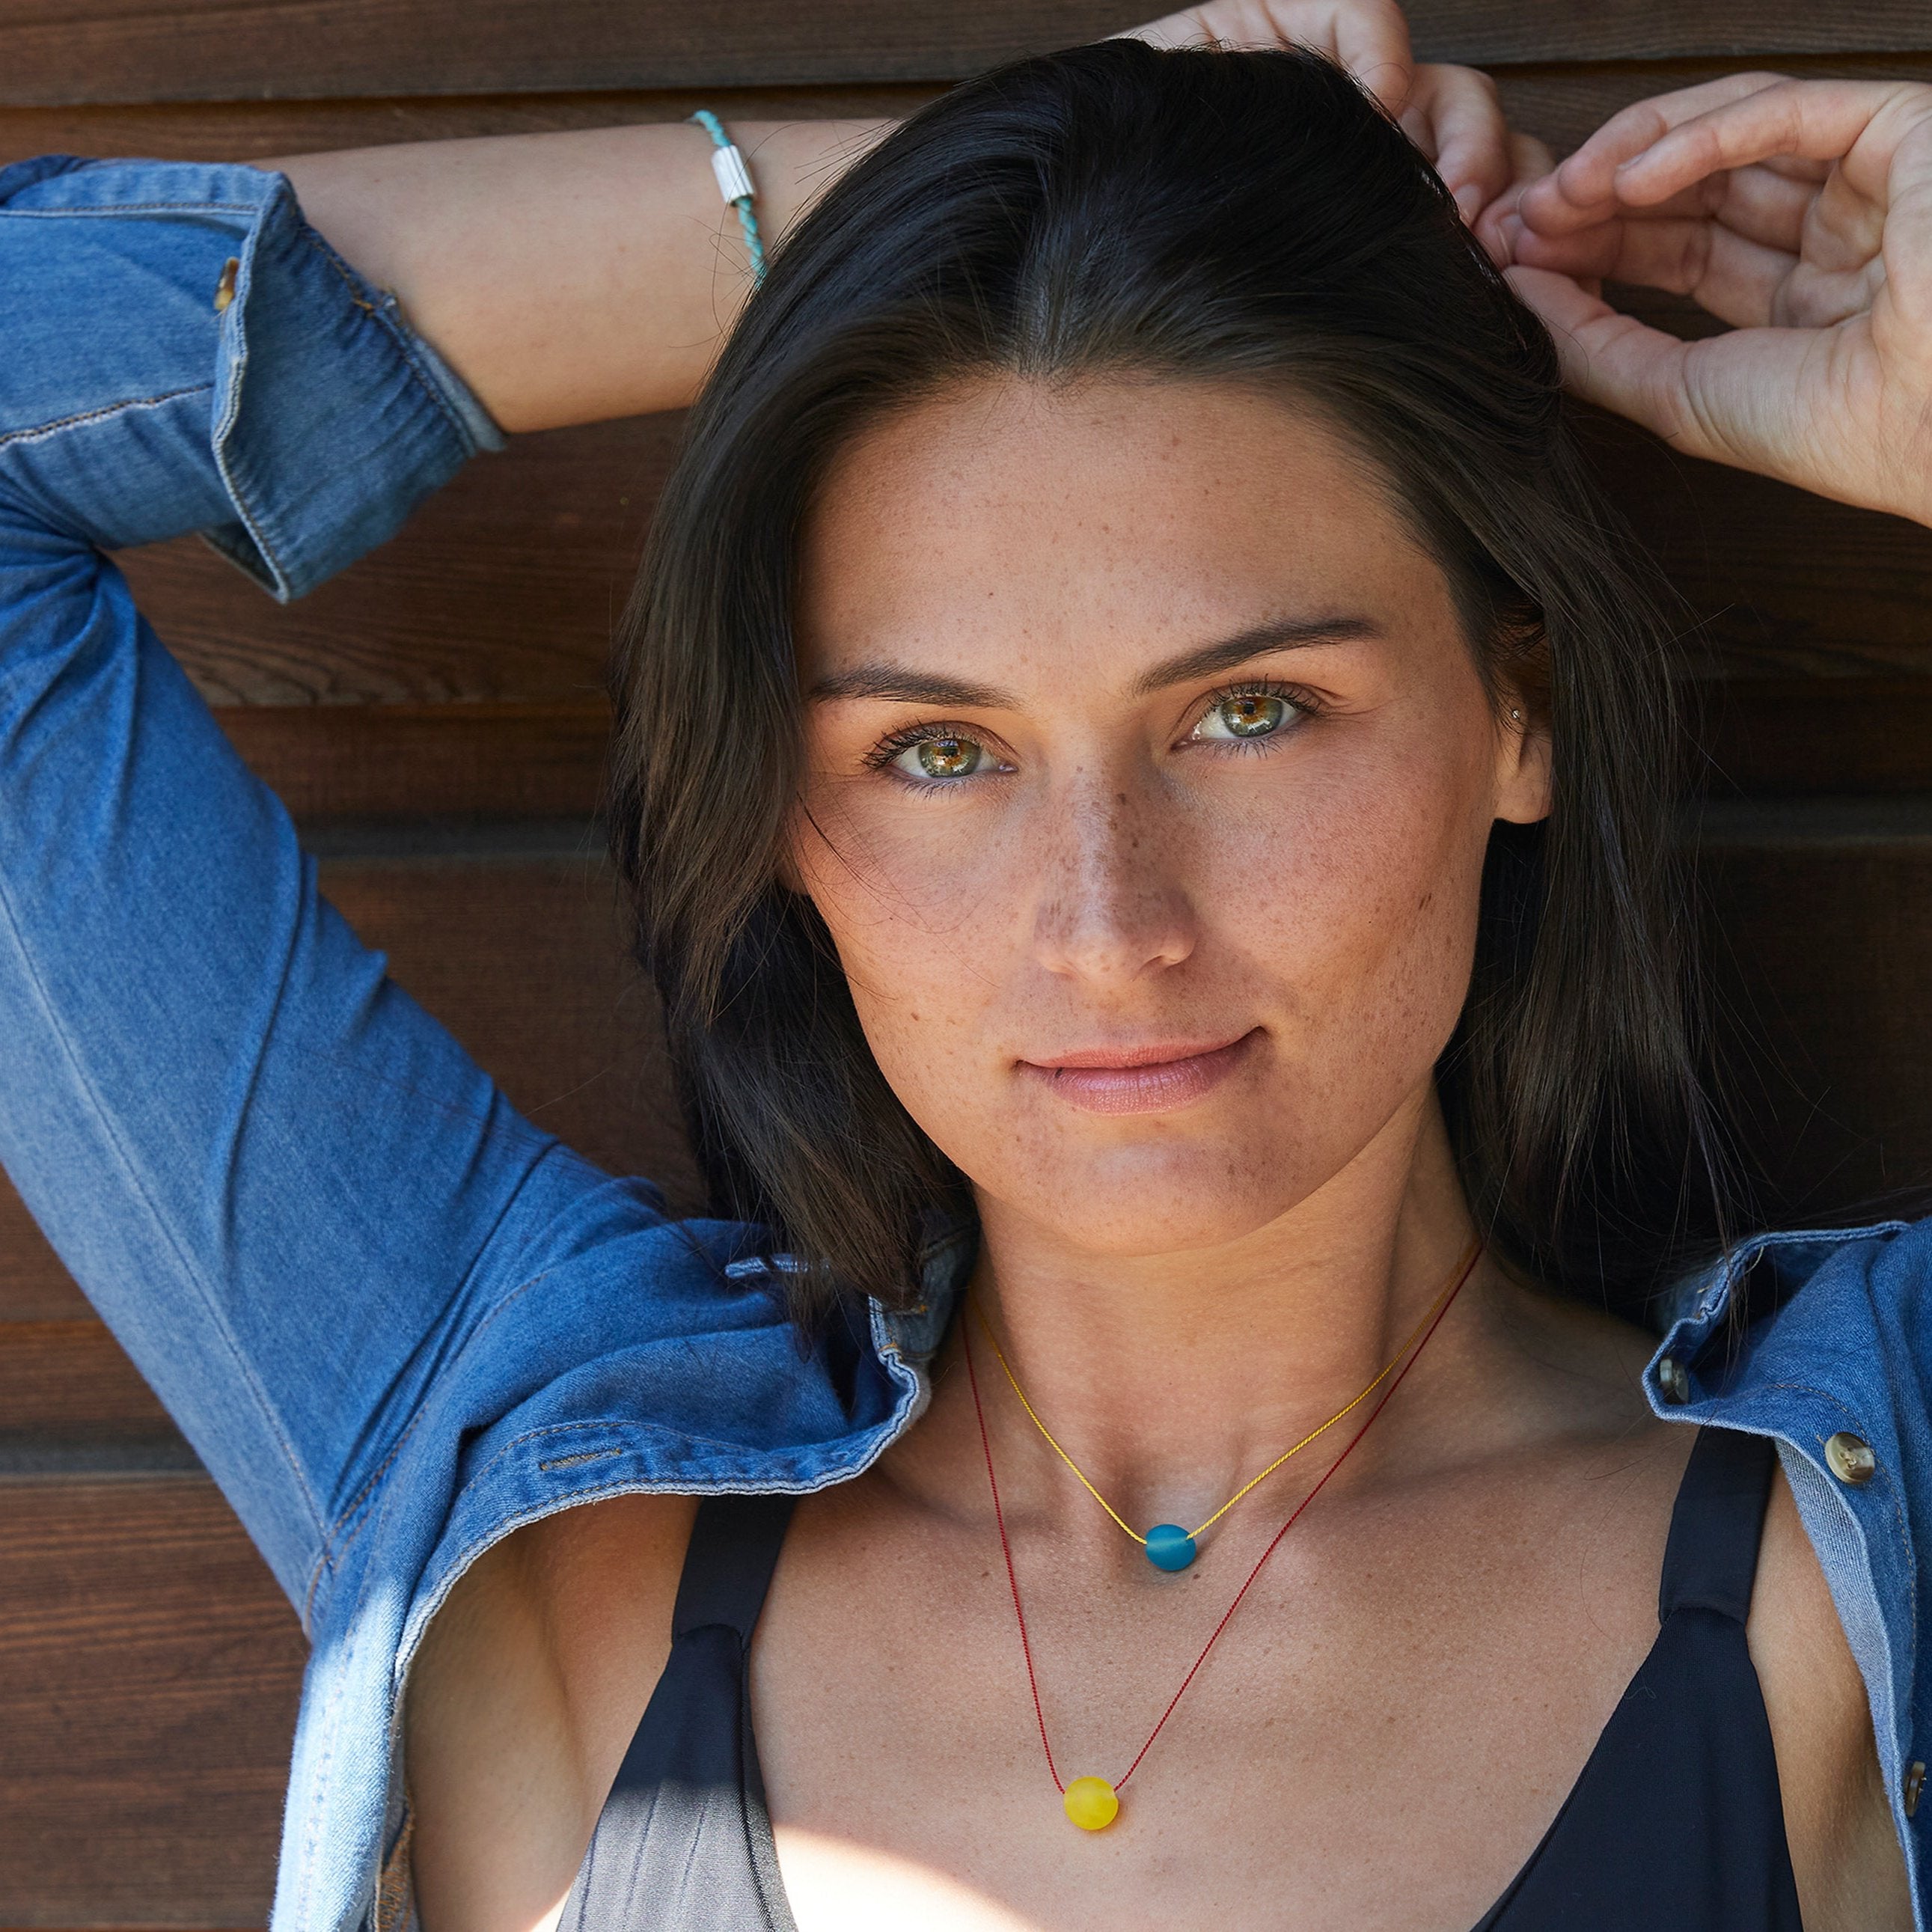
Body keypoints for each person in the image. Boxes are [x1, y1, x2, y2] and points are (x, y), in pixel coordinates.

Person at [0, 4, 1927, 1928]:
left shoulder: (1867, 1533)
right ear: (775, 812)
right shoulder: (531, 1503)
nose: (1109, 925)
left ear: (1517, 710)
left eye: (1252, 711)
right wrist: (972, 194)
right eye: (936, 751)